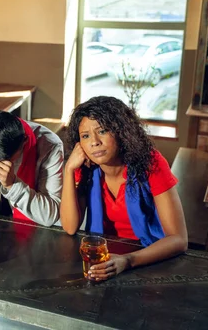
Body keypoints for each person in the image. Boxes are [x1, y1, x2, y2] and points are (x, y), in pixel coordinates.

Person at [61, 96, 187, 280]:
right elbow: (70, 227)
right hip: (104, 258)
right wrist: (69, 170)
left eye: (102, 131)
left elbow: (179, 239)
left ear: (121, 132)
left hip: (147, 258)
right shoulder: (85, 168)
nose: (94, 142)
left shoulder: (151, 163)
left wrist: (127, 260)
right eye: (85, 136)